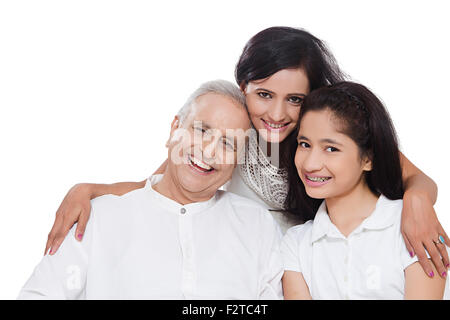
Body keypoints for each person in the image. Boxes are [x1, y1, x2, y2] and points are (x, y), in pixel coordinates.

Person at [44, 26, 449, 278]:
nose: (276, 113)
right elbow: (159, 187)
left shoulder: (324, 137)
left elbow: (413, 175)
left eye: (294, 99)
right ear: (243, 87)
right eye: (264, 95)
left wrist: (416, 201)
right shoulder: (228, 131)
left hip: (313, 266)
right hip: (241, 272)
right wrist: (90, 188)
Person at [18, 80, 283, 299]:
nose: (209, 151)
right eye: (201, 130)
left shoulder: (256, 225)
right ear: (174, 128)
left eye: (228, 144)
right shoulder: (99, 217)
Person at [281, 82, 448, 299]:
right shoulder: (296, 243)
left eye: (331, 149)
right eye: (304, 144)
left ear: (368, 158)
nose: (310, 164)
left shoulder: (413, 226)